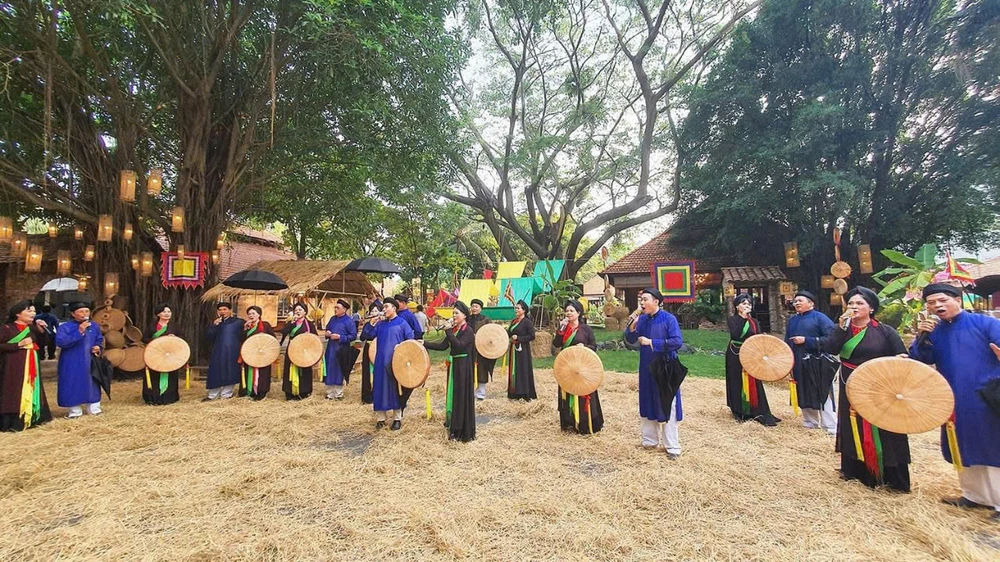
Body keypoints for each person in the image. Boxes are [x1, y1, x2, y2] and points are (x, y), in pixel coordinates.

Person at [910, 283, 1000, 519]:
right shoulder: (935, 331)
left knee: (992, 446)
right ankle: (974, 496)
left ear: (957, 300)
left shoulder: (986, 324)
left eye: (942, 300)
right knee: (962, 445)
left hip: (987, 396)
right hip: (952, 397)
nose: (937, 306)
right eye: (931, 303)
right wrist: (922, 337)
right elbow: (920, 359)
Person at [823, 287, 910, 492]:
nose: (854, 307)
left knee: (884, 426)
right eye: (851, 303)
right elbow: (830, 349)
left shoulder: (885, 331)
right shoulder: (843, 329)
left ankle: (890, 476)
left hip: (877, 384)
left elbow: (901, 355)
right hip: (849, 382)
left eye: (859, 303)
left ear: (871, 308)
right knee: (852, 422)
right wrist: (841, 328)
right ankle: (855, 471)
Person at [625, 288, 684, 459]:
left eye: (645, 299)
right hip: (646, 367)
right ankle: (649, 440)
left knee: (668, 403)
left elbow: (676, 342)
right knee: (648, 399)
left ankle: (672, 446)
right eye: (641, 300)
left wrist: (652, 342)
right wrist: (632, 327)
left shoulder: (669, 319)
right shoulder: (642, 319)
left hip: (666, 367)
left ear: (656, 302)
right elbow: (630, 340)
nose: (641, 303)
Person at [785, 290, 837, 434]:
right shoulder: (792, 321)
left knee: (823, 392)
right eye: (795, 301)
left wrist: (807, 341)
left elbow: (832, 339)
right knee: (803, 391)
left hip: (818, 362)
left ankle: (830, 426)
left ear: (811, 303)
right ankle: (810, 422)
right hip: (798, 362)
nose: (797, 303)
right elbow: (787, 342)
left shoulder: (820, 318)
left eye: (800, 300)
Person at [424, 301, 476, 441]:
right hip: (454, 365)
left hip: (463, 366)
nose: (454, 316)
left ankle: (460, 429)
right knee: (453, 394)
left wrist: (447, 330)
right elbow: (443, 346)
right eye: (453, 313)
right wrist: (424, 343)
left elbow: (459, 346)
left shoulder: (468, 330)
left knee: (460, 395)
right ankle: (453, 425)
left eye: (456, 313)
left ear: (464, 315)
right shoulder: (454, 330)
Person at [361, 297, 415, 430]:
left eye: (386, 307)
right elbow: (366, 335)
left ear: (394, 308)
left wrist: (401, 347)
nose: (384, 310)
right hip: (379, 362)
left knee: (395, 390)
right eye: (383, 307)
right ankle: (381, 418)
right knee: (379, 389)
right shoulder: (380, 324)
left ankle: (397, 418)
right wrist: (371, 323)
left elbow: (411, 340)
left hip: (395, 363)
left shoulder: (402, 323)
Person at [725, 294, 779, 426]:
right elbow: (736, 335)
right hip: (736, 353)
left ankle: (757, 409)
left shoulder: (754, 322)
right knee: (737, 379)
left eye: (749, 304)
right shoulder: (733, 320)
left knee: (754, 380)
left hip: (751, 354)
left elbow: (758, 337)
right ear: (737, 307)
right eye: (744, 303)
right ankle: (739, 410)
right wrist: (743, 318)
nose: (747, 306)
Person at [0, 300, 53, 431]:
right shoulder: (6, 329)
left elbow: (44, 343)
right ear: (18, 313)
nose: (33, 313)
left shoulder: (33, 327)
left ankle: (33, 417)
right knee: (13, 391)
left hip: (31, 366)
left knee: (31, 388)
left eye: (34, 311)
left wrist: (42, 331)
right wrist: (18, 345)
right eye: (29, 310)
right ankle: (12, 421)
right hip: (12, 367)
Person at [554, 300, 603, 434]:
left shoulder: (585, 329)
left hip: (582, 367)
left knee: (583, 392)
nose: (568, 313)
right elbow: (556, 344)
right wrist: (560, 330)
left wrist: (584, 347)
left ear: (578, 313)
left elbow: (594, 346)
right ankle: (569, 422)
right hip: (567, 367)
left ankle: (585, 423)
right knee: (567, 390)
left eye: (571, 311)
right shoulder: (563, 328)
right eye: (567, 311)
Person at [55, 302, 104, 418]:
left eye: (87, 311)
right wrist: (79, 331)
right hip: (71, 361)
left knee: (92, 382)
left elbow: (99, 339)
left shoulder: (94, 326)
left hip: (89, 360)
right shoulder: (64, 327)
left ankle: (94, 409)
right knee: (72, 383)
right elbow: (61, 342)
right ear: (73, 313)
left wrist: (98, 347)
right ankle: (75, 411)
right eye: (81, 311)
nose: (84, 314)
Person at [142, 304, 181, 406]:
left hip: (169, 355)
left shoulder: (174, 326)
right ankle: (152, 398)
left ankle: (168, 398)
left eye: (169, 312)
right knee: (154, 375)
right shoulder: (152, 326)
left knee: (170, 375)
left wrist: (175, 338)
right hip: (155, 355)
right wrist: (157, 340)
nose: (167, 314)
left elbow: (182, 339)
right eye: (164, 312)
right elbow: (144, 338)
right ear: (158, 314)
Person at [279, 302, 317, 400]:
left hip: (304, 351)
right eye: (296, 310)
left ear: (305, 312)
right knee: (289, 369)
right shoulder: (291, 323)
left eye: (300, 310)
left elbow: (315, 338)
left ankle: (303, 392)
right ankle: (290, 392)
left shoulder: (309, 324)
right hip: (292, 349)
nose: (297, 312)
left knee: (304, 370)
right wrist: (291, 323)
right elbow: (283, 333)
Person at [205, 302, 243, 401]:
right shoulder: (216, 323)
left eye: (225, 309)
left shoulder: (238, 322)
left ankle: (226, 394)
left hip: (232, 351)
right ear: (217, 312)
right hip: (218, 351)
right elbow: (209, 337)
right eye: (220, 310)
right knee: (215, 371)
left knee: (230, 371)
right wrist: (214, 326)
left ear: (230, 311)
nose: (223, 312)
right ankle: (212, 395)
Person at [323, 299, 357, 400]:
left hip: (342, 349)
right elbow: (327, 329)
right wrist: (327, 333)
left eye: (338, 308)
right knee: (329, 368)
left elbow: (353, 336)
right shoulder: (333, 319)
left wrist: (340, 337)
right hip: (331, 348)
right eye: (335, 307)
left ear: (344, 309)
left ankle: (338, 393)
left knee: (339, 370)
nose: (335, 309)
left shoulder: (349, 321)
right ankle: (329, 393)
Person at [240, 306, 276, 400]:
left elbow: (273, 339)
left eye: (253, 313)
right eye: (249, 314)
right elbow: (242, 340)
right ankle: (250, 391)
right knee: (249, 371)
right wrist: (245, 329)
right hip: (250, 354)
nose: (251, 315)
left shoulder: (265, 325)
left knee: (262, 374)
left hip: (263, 354)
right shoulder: (247, 326)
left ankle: (261, 393)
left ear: (259, 315)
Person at [506, 300, 537, 401]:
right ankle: (515, 392)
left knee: (523, 369)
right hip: (513, 350)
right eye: (516, 308)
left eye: (518, 308)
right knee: (514, 369)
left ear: (524, 310)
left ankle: (525, 393)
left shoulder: (527, 322)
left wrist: (519, 338)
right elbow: (509, 333)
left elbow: (532, 336)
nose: (516, 310)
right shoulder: (514, 321)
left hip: (522, 350)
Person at [467, 299, 496, 400]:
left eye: (476, 306)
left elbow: (491, 332)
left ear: (480, 308)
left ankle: (481, 393)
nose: (474, 308)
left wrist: (480, 337)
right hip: (469, 348)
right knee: (469, 369)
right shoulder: (467, 319)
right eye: (472, 306)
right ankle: (469, 392)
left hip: (482, 349)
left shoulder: (486, 320)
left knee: (482, 370)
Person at [358, 301, 381, 404]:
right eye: (372, 311)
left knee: (378, 372)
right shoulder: (368, 324)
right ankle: (367, 396)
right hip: (368, 348)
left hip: (379, 348)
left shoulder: (383, 324)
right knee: (367, 372)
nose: (374, 313)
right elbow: (363, 337)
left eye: (376, 311)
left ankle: (378, 395)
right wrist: (371, 325)